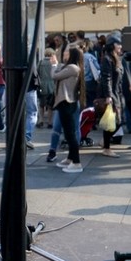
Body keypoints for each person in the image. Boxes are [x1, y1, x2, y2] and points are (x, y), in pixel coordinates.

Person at [50, 45, 85, 173]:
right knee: (68, 132)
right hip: (67, 102)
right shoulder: (71, 67)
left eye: (66, 52)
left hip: (67, 102)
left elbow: (54, 76)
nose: (64, 54)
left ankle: (76, 163)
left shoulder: (73, 68)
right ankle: (70, 158)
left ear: (71, 55)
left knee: (70, 134)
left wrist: (54, 65)